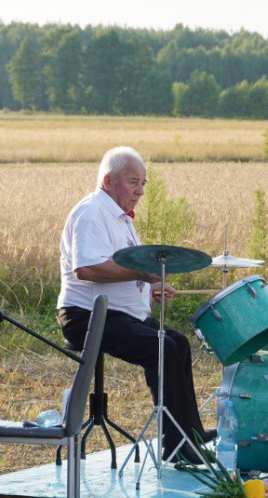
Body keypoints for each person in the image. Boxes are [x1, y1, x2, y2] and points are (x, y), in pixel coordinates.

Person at [57, 146, 213, 462]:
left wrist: (148, 287)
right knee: (163, 349)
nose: (140, 191)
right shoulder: (93, 212)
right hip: (85, 317)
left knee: (179, 343)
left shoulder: (120, 216)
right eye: (133, 182)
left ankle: (188, 434)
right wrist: (143, 272)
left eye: (143, 183)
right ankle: (179, 447)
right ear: (108, 181)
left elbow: (122, 270)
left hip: (118, 314)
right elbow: (86, 269)